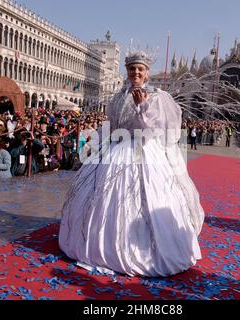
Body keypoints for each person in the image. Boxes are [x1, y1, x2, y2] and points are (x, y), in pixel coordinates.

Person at [59, 51, 205, 277]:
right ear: (126, 71)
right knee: (106, 198)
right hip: (117, 150)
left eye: (140, 69)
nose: (135, 73)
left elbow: (155, 131)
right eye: (131, 69)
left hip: (145, 152)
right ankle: (104, 243)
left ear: (147, 73)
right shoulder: (118, 97)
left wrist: (143, 107)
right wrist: (97, 141)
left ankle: (143, 247)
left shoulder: (157, 97)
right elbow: (113, 124)